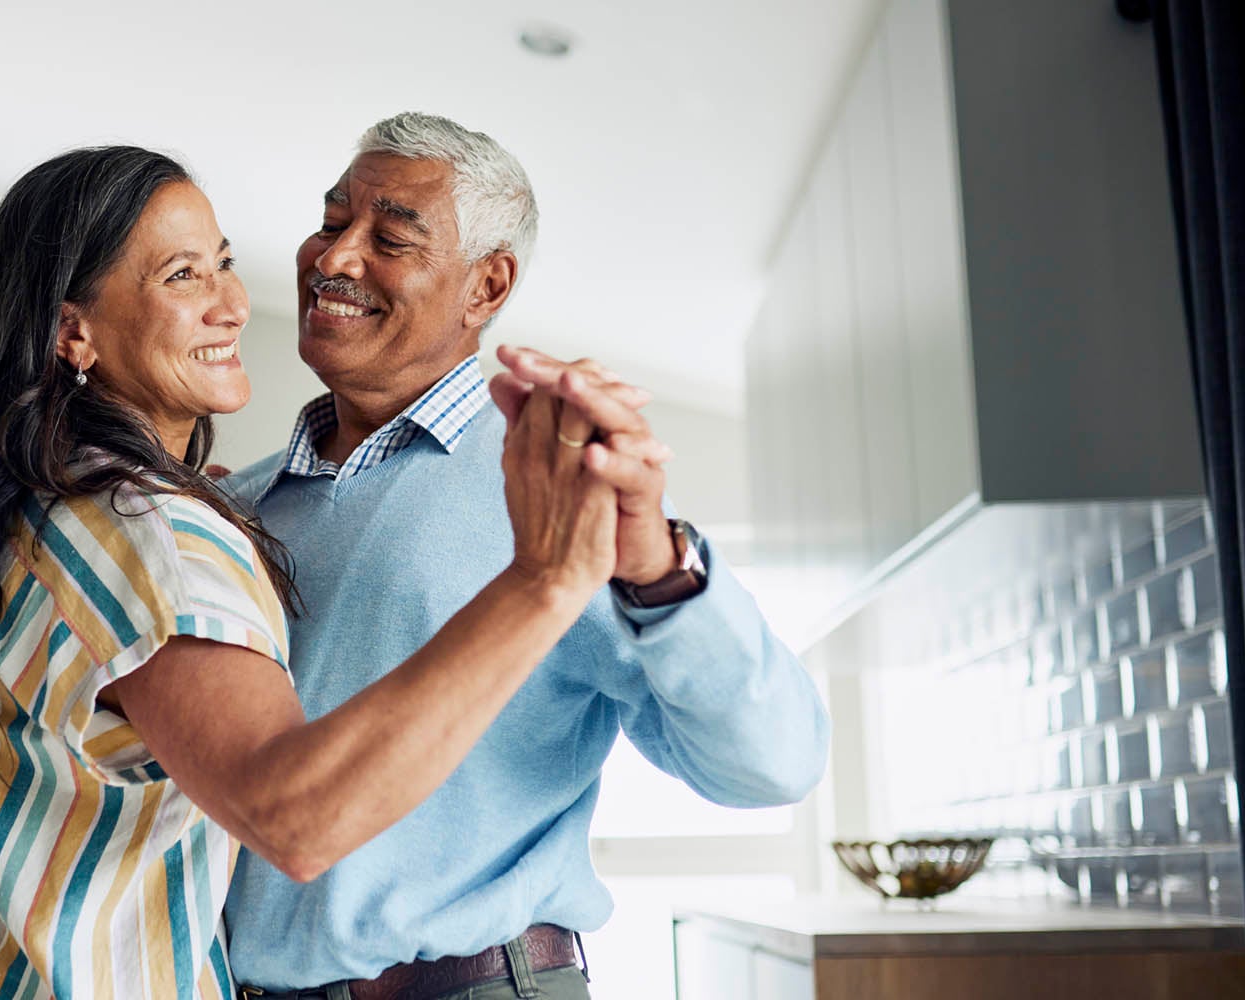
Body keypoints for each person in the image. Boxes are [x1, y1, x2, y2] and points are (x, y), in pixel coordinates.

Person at [0, 145, 666, 1000]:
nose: (233, 303)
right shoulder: (150, 536)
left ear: (487, 287)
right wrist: (544, 581)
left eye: (221, 263)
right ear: (75, 331)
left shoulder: (46, 518)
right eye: (182, 276)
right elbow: (295, 818)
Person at [220, 112, 832, 1000]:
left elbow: (773, 765)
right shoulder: (237, 508)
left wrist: (658, 567)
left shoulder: (553, 489)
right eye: (331, 220)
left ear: (486, 286)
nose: (336, 256)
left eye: (389, 235)